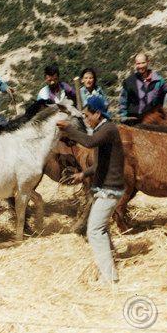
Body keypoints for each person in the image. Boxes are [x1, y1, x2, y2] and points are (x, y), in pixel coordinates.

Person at [57, 95, 124, 284]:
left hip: (110, 190)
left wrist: (69, 129)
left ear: (98, 113)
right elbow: (99, 164)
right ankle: (110, 263)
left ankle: (109, 276)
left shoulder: (108, 129)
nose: (86, 119)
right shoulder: (101, 130)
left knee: (94, 231)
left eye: (87, 116)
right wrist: (83, 175)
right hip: (105, 188)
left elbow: (88, 142)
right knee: (102, 228)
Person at [118, 52, 167, 125]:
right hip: (133, 121)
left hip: (153, 122)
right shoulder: (129, 81)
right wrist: (123, 116)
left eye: (143, 63)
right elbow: (123, 100)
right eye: (138, 64)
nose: (141, 66)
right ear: (135, 64)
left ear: (148, 62)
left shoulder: (159, 81)